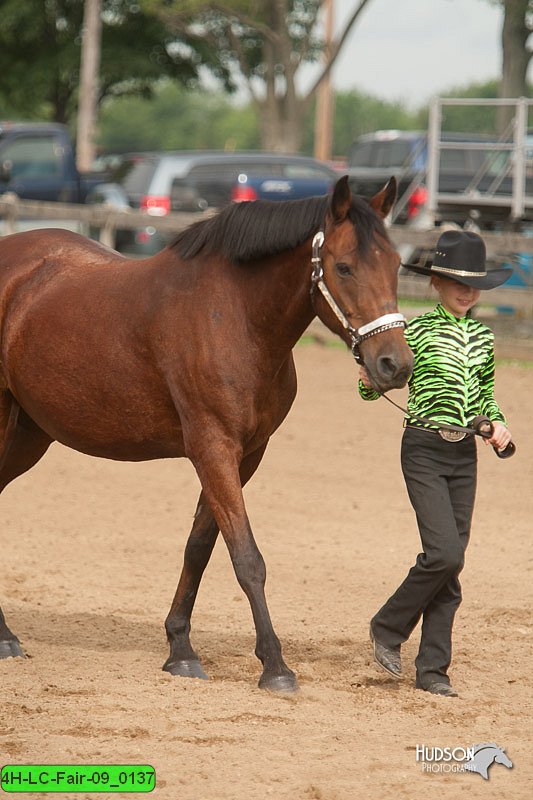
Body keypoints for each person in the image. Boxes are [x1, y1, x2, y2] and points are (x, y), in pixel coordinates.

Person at [359, 229, 513, 697]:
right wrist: (368, 379)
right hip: (423, 449)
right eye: (456, 281)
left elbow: (485, 395)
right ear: (436, 283)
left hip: (464, 453)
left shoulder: (484, 337)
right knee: (444, 552)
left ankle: (432, 670)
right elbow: (376, 386)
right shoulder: (417, 331)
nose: (466, 291)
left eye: (473, 283)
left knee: (452, 563)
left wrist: (497, 426)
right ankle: (387, 626)